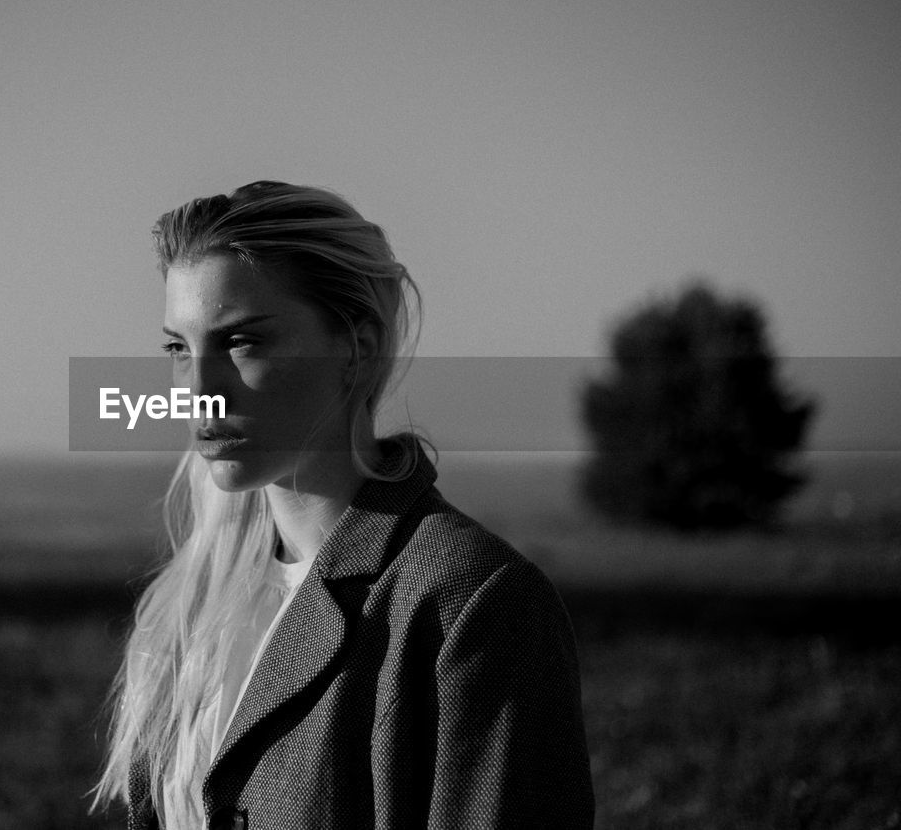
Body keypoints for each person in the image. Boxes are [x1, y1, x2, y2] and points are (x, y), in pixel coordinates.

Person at [94, 180, 594, 829]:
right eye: (178, 349)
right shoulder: (190, 605)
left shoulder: (473, 602)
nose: (198, 390)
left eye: (243, 341)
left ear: (355, 346)